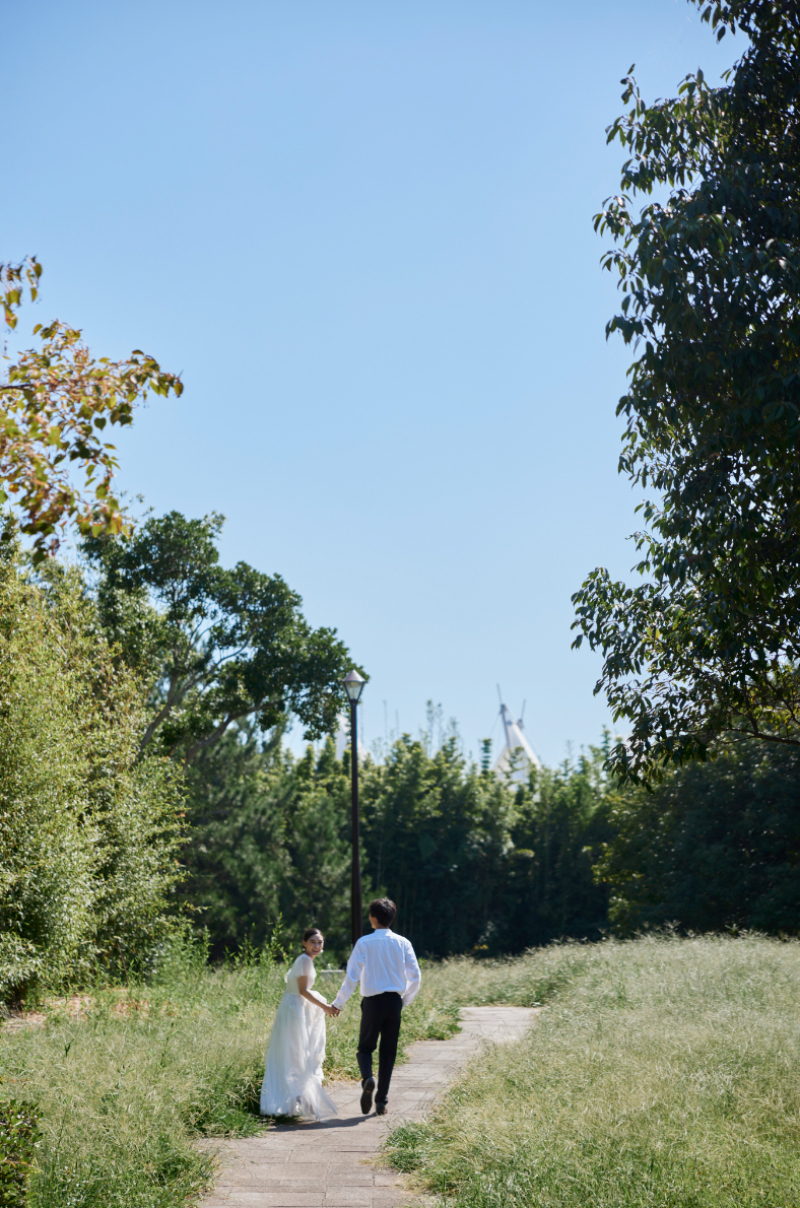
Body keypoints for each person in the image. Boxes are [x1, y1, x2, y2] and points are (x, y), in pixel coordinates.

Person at [332, 898, 421, 1117]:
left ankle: (367, 1079)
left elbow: (352, 976)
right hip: (394, 1002)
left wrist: (338, 1003)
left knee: (365, 1048)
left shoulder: (364, 943)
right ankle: (381, 1102)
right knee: (388, 1053)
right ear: (392, 917)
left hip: (372, 1002)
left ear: (373, 917)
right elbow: (416, 976)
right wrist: (403, 1000)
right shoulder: (403, 943)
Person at [260, 927, 341, 1121]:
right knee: (297, 1053)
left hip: (293, 1006)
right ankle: (296, 1097)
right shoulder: (305, 960)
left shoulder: (304, 960)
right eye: (312, 942)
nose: (316, 946)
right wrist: (325, 1007)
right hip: (294, 1009)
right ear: (304, 943)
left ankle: (295, 1098)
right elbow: (303, 990)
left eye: (320, 942)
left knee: (294, 1052)